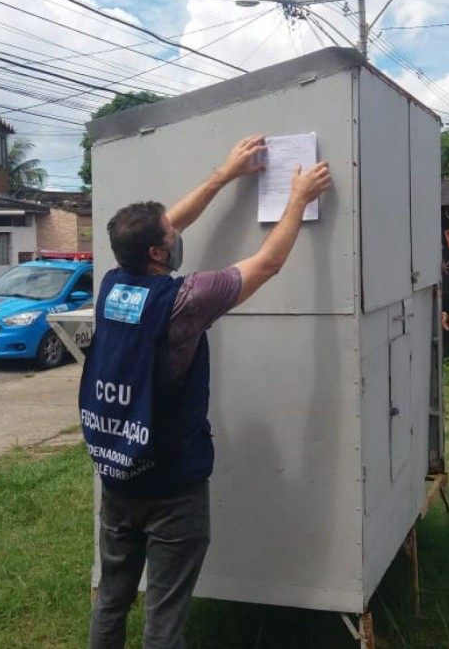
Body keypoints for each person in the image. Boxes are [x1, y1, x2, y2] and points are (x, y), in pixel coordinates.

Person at [80, 134, 332, 649]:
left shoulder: (112, 283)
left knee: (112, 600)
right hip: (172, 489)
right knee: (165, 615)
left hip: (119, 475)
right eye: (170, 234)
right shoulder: (186, 300)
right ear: (158, 251)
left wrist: (225, 173)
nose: (178, 233)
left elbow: (166, 223)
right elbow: (267, 264)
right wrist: (298, 199)